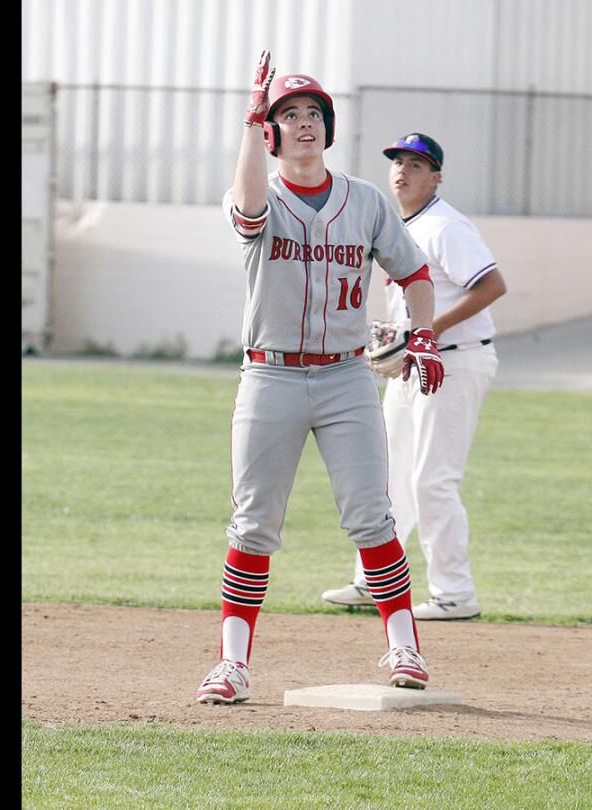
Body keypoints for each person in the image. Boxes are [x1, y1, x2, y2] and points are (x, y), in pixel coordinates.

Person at [195, 51, 446, 705]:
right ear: (270, 132)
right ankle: (233, 664)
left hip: (345, 378)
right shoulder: (257, 195)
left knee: (372, 515)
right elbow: (249, 208)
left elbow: (414, 273)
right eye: (288, 115)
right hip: (270, 375)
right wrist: (251, 119)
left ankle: (404, 646)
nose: (303, 123)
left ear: (327, 128)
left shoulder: (364, 201)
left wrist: (423, 335)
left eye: (313, 113)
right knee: (252, 525)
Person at [321, 132, 507, 622]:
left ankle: (454, 592)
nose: (403, 171)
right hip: (414, 363)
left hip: (455, 359)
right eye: (398, 162)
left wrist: (425, 332)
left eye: (417, 165)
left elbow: (492, 284)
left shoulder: (445, 226)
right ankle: (375, 579)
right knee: (387, 475)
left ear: (437, 176)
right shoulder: (399, 224)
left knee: (432, 479)